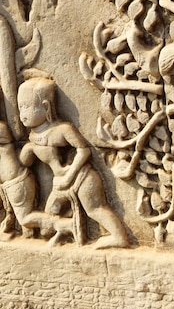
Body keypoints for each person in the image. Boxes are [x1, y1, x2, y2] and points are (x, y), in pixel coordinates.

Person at [18, 76, 129, 249]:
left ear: (45, 107)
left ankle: (119, 237)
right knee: (49, 220)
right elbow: (25, 161)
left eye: (26, 108)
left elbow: (83, 150)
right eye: (19, 108)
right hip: (59, 184)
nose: (22, 115)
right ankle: (70, 230)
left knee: (95, 209)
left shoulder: (62, 130)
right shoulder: (33, 136)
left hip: (81, 178)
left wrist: (70, 175)